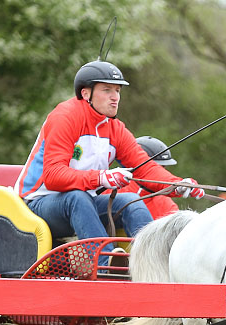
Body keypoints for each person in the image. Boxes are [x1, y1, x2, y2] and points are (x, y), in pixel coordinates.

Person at [14, 60, 204, 265]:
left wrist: (177, 184)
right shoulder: (65, 116)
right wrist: (101, 178)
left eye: (118, 91)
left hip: (83, 205)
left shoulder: (115, 128)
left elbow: (146, 168)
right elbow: (53, 176)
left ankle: (154, 266)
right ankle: (104, 264)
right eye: (107, 90)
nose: (115, 97)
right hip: (36, 205)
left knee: (131, 200)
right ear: (85, 93)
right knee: (77, 197)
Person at [120, 136, 182, 219]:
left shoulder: (167, 205)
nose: (160, 173)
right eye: (155, 168)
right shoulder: (111, 190)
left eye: (163, 167)